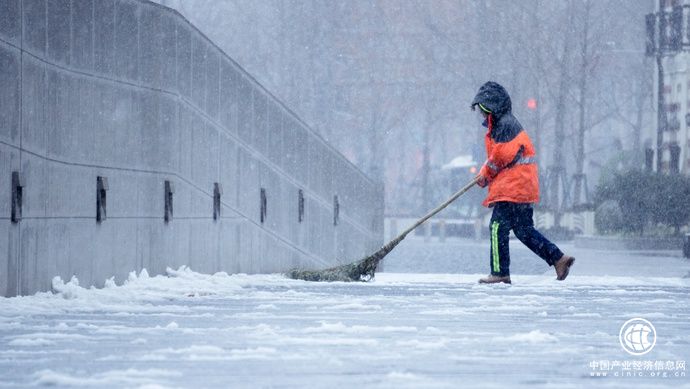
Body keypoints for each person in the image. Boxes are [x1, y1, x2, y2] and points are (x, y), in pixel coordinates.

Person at [470, 81, 574, 284]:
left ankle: (500, 272)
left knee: (497, 227)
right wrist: (485, 174)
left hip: (513, 189)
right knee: (524, 230)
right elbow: (500, 156)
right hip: (524, 188)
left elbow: (500, 155)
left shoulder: (504, 125)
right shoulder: (508, 124)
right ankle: (558, 258)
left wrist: (485, 174)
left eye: (483, 110)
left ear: (490, 107)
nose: (481, 115)